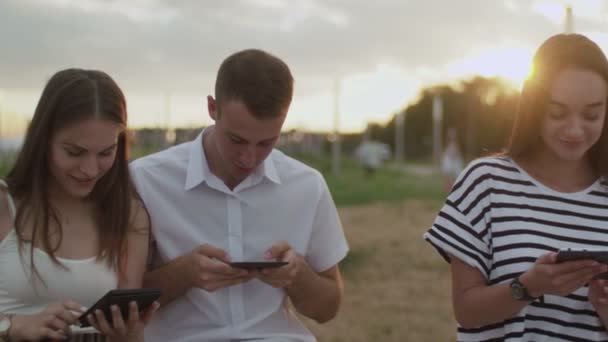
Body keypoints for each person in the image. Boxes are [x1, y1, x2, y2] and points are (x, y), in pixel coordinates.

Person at [131, 49, 348, 341]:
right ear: (212, 107)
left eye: (266, 143)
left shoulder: (307, 185)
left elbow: (328, 309)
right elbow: (123, 301)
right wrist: (184, 274)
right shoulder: (146, 179)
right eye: (237, 140)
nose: (249, 158)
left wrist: (300, 277)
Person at [424, 33, 608, 341]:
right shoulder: (485, 183)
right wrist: (528, 286)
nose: (575, 129)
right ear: (535, 108)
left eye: (592, 114)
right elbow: (466, 311)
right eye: (558, 113)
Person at [0, 69, 158, 342]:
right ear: (43, 139)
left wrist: (128, 333)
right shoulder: (5, 205)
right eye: (74, 152)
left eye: (106, 153)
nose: (89, 169)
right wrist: (13, 326)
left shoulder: (127, 216)